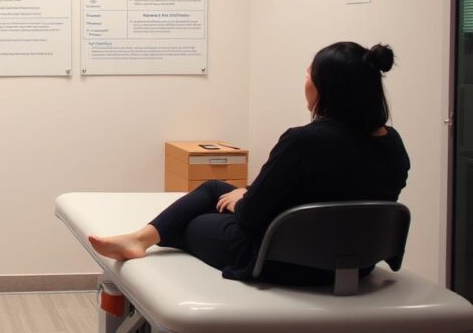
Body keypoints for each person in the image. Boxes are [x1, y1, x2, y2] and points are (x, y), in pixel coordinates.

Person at [90, 41, 411, 284]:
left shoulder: (304, 141)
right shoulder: (392, 143)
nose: (305, 80)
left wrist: (242, 200)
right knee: (215, 187)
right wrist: (245, 194)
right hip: (356, 264)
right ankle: (138, 239)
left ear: (327, 89)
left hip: (278, 259)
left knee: (190, 222)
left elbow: (251, 218)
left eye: (309, 73)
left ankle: (141, 239)